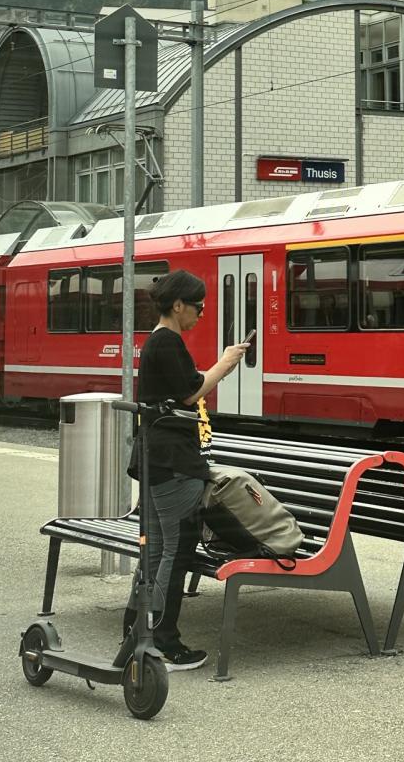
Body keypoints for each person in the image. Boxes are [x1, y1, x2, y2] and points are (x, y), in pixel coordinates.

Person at [121, 269, 247, 671]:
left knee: (157, 551)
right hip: (174, 463)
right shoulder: (168, 341)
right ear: (178, 305)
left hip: (157, 460)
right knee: (175, 551)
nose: (201, 314)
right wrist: (226, 362)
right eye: (198, 307)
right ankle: (164, 643)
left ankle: (138, 630)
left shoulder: (156, 341)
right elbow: (192, 391)